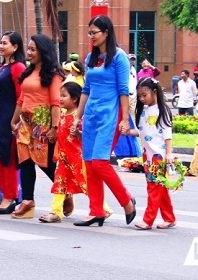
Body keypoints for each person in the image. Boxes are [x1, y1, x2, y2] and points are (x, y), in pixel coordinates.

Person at [73, 15, 136, 227]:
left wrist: (125, 119)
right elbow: (86, 90)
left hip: (111, 114)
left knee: (100, 162)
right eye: (89, 33)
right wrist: (77, 116)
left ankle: (126, 200)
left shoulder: (119, 57)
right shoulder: (91, 57)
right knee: (90, 163)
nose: (91, 36)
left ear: (106, 32)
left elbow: (123, 90)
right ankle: (96, 211)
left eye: (94, 33)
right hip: (91, 114)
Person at [10, 34, 64, 220]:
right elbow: (22, 98)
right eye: (29, 49)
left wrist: (55, 127)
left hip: (43, 122)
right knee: (25, 161)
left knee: (47, 164)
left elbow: (55, 102)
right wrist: (14, 120)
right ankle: (27, 201)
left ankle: (64, 192)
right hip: (25, 122)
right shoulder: (28, 72)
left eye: (33, 49)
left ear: (43, 51)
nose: (29, 53)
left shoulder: (53, 74)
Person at [126, 77, 177, 230]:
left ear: (154, 92)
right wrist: (128, 132)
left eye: (144, 95)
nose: (142, 99)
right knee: (159, 187)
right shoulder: (143, 112)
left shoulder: (162, 111)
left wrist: (169, 153)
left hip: (159, 156)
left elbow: (167, 134)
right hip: (148, 156)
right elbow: (142, 132)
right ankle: (169, 218)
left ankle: (148, 220)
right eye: (139, 96)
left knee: (153, 188)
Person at [0, 31, 25, 215]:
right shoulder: (3, 68)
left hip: (9, 119)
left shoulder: (18, 68)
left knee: (7, 158)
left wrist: (16, 120)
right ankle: (7, 193)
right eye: (0, 43)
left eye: (5, 43)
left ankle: (9, 197)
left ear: (15, 47)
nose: (1, 46)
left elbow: (21, 96)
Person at [38, 82, 86, 223]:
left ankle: (104, 208)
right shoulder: (64, 116)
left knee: (86, 185)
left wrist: (78, 133)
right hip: (63, 159)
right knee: (59, 183)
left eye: (64, 95)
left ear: (75, 99)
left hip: (77, 159)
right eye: (60, 95)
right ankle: (56, 212)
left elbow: (85, 137)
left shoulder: (79, 117)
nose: (60, 98)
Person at [128, 54, 138, 119]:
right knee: (126, 113)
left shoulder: (134, 69)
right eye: (130, 59)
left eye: (133, 60)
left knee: (133, 113)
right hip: (126, 95)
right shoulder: (124, 69)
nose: (131, 61)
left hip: (133, 95)